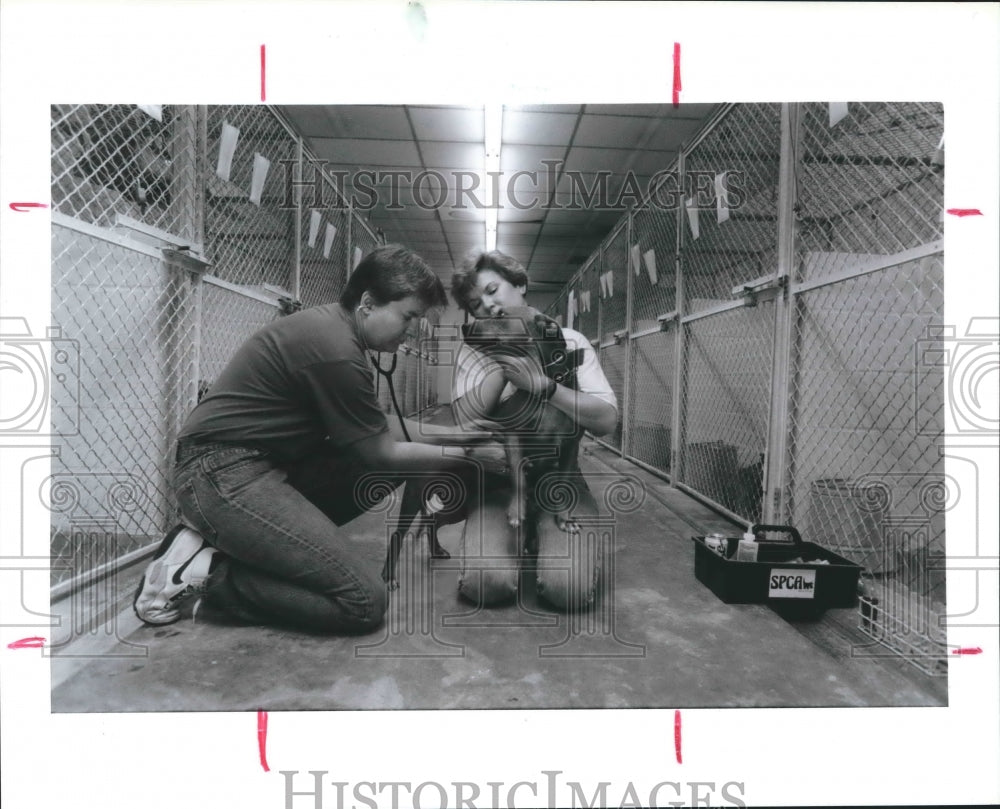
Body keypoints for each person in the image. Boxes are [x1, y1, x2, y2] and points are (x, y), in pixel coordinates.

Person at [133, 245, 492, 634]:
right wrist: (469, 455)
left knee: (396, 461)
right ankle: (207, 573)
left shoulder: (335, 331)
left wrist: (456, 434)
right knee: (362, 601)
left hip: (259, 466)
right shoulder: (336, 350)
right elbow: (382, 452)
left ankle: (219, 544)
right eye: (408, 317)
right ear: (368, 304)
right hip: (219, 473)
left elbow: (376, 425)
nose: (411, 329)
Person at [449, 250, 619, 612]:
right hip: (500, 482)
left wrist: (546, 387)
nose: (489, 306)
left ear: (521, 284)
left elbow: (605, 422)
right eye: (476, 304)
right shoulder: (475, 351)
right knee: (486, 584)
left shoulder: (568, 341)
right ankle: (517, 527)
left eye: (493, 290)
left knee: (568, 591)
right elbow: (463, 423)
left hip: (562, 478)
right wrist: (504, 358)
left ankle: (542, 534)